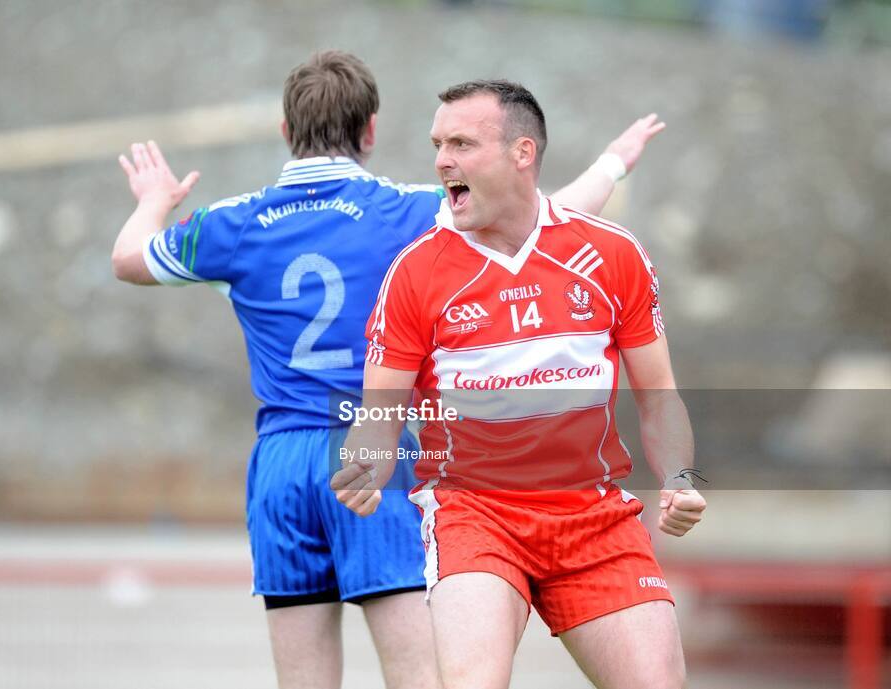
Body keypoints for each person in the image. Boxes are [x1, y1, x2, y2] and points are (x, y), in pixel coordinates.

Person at [112, 51, 664, 689]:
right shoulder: (408, 211)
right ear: (370, 130)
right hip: (375, 447)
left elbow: (129, 258)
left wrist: (153, 199)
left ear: (286, 131)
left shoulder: (232, 223)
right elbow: (546, 216)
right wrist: (614, 161)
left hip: (282, 463)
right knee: (419, 675)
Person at [332, 79, 705, 689]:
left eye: (461, 143)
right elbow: (378, 415)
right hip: (474, 516)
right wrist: (365, 466)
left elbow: (660, 398)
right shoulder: (415, 272)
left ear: (521, 153)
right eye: (437, 144)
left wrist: (681, 480)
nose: (441, 161)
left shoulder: (613, 254)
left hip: (594, 517)